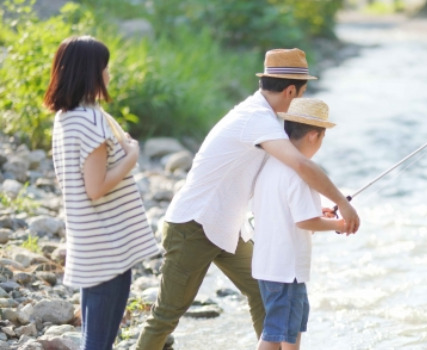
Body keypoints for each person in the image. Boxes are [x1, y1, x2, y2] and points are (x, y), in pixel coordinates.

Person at [135, 48, 361, 349]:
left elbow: (265, 182)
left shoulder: (261, 116)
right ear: (291, 90)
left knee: (260, 291)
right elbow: (301, 165)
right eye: (303, 92)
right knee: (167, 314)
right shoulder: (257, 119)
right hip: (193, 225)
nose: (300, 100)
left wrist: (312, 207)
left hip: (225, 227)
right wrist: (343, 204)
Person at [45, 35, 162, 350]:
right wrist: (132, 157)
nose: (109, 74)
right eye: (105, 67)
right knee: (98, 343)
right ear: (91, 71)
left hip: (92, 244)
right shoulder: (89, 120)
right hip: (107, 245)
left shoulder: (67, 117)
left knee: (97, 340)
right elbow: (95, 188)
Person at [250, 98, 345, 350]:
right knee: (289, 338)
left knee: (272, 332)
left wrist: (319, 212)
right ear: (314, 135)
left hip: (267, 266)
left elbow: (285, 211)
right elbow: (306, 221)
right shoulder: (302, 172)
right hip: (287, 271)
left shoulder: (270, 165)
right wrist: (341, 225)